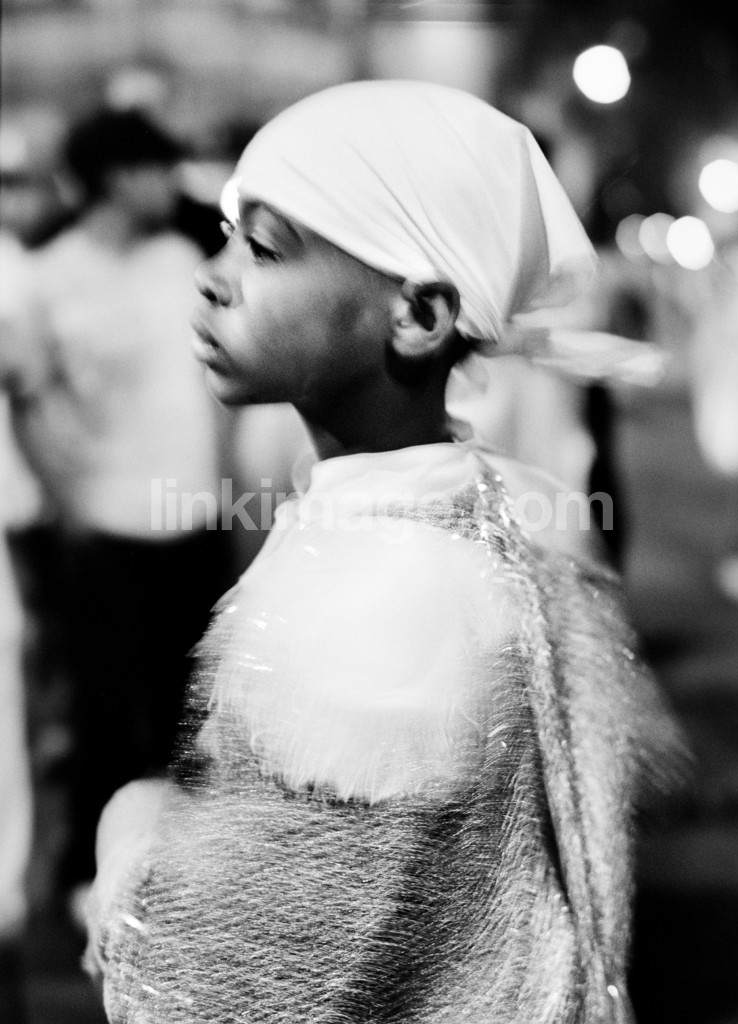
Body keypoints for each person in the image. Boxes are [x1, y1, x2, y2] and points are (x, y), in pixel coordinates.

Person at [85, 81, 685, 1023]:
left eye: (265, 249)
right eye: (228, 236)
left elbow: (229, 989)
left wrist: (128, 834)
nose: (213, 277)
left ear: (418, 315)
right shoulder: (475, 512)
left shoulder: (387, 604)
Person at [4, 108, 235, 909]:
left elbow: (213, 383)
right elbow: (26, 400)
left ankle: (187, 870)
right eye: (156, 168)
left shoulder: (182, 259)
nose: (170, 183)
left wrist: (227, 479)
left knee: (192, 704)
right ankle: (90, 876)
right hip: (105, 521)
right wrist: (66, 500)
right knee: (103, 708)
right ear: (115, 178)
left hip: (195, 511)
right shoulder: (48, 275)